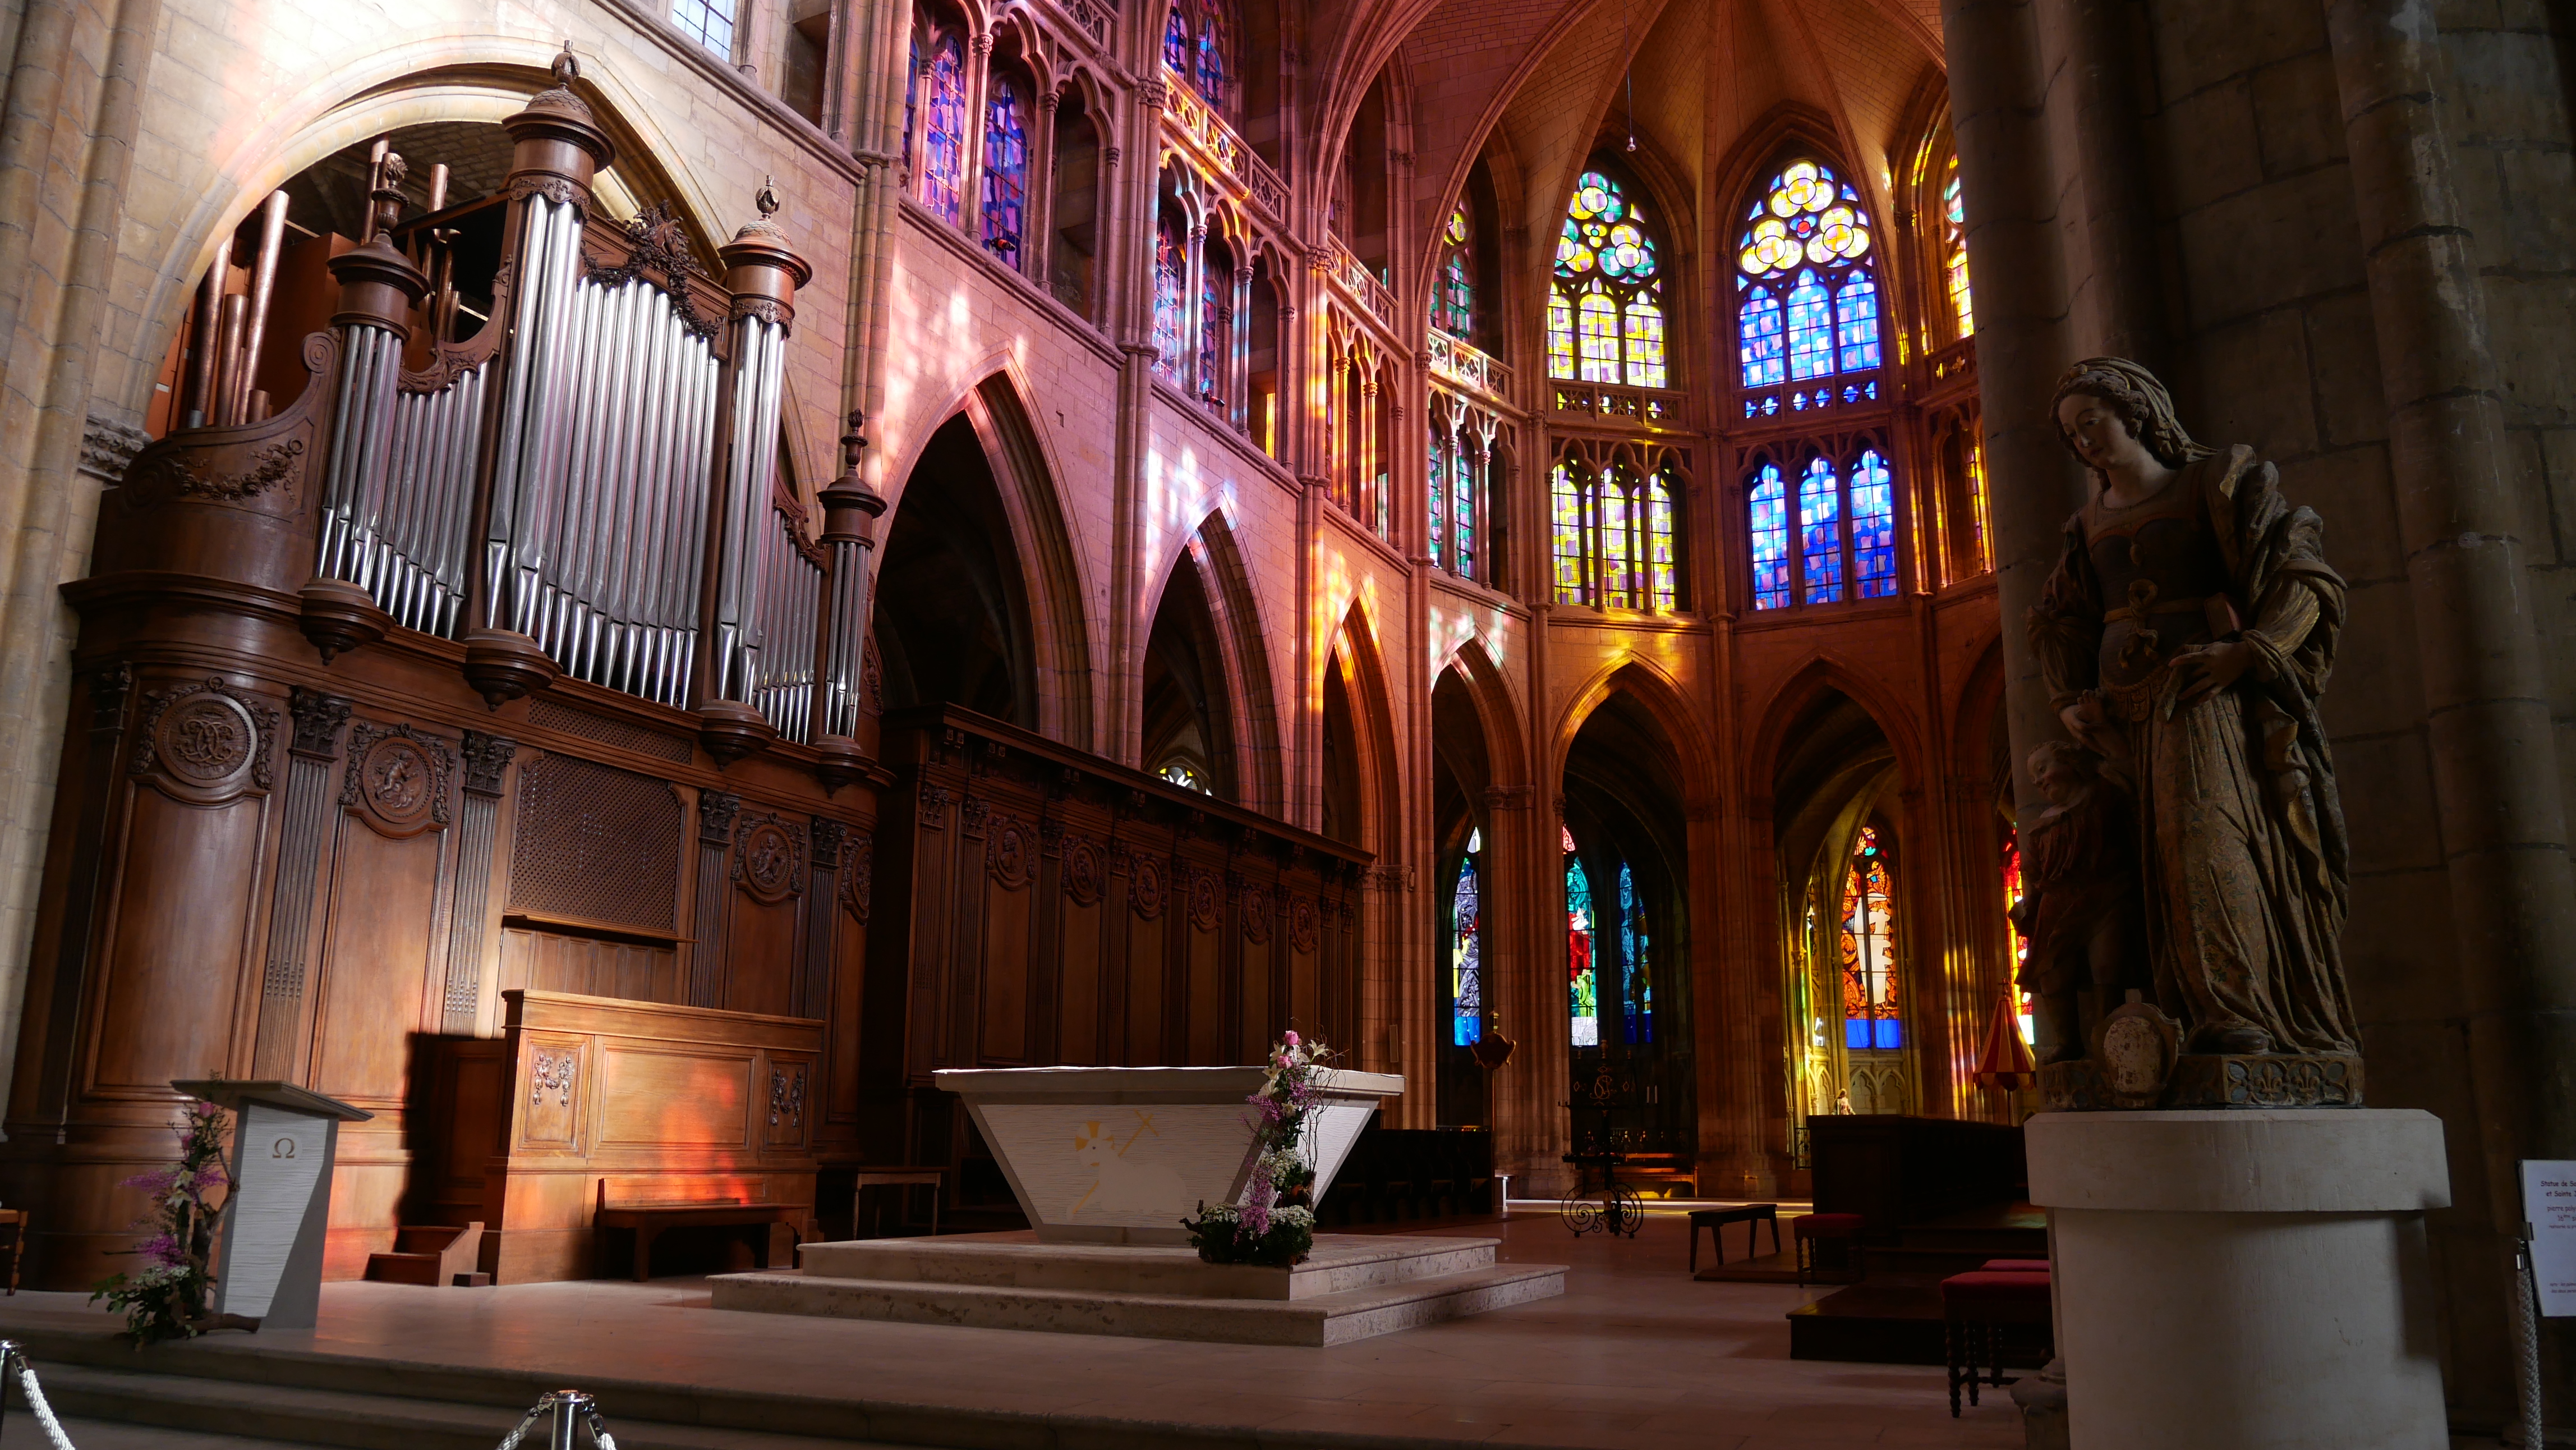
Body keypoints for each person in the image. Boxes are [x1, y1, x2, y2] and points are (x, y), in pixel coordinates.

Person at [2027, 359, 2358, 1057]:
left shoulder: (2213, 484)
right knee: (2134, 859)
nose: (2082, 440)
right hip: (2118, 715)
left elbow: (2298, 571)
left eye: (2091, 420)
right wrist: (2065, 701)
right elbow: (2060, 618)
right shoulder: (2085, 522)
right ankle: (2157, 1024)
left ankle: (2235, 1010)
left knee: (2204, 840)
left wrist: (2250, 651)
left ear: (2136, 413)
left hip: (2198, 694)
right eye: (2069, 432)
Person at [2011, 740, 2146, 1063]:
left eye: (2043, 770)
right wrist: (2027, 902)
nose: (2041, 781)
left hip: (2105, 894)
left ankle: (2108, 1038)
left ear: (2071, 762)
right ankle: (2067, 1042)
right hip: (2056, 902)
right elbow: (2031, 870)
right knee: (2052, 971)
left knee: (2107, 967)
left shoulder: (2103, 796)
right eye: (2035, 780)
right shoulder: (2043, 823)